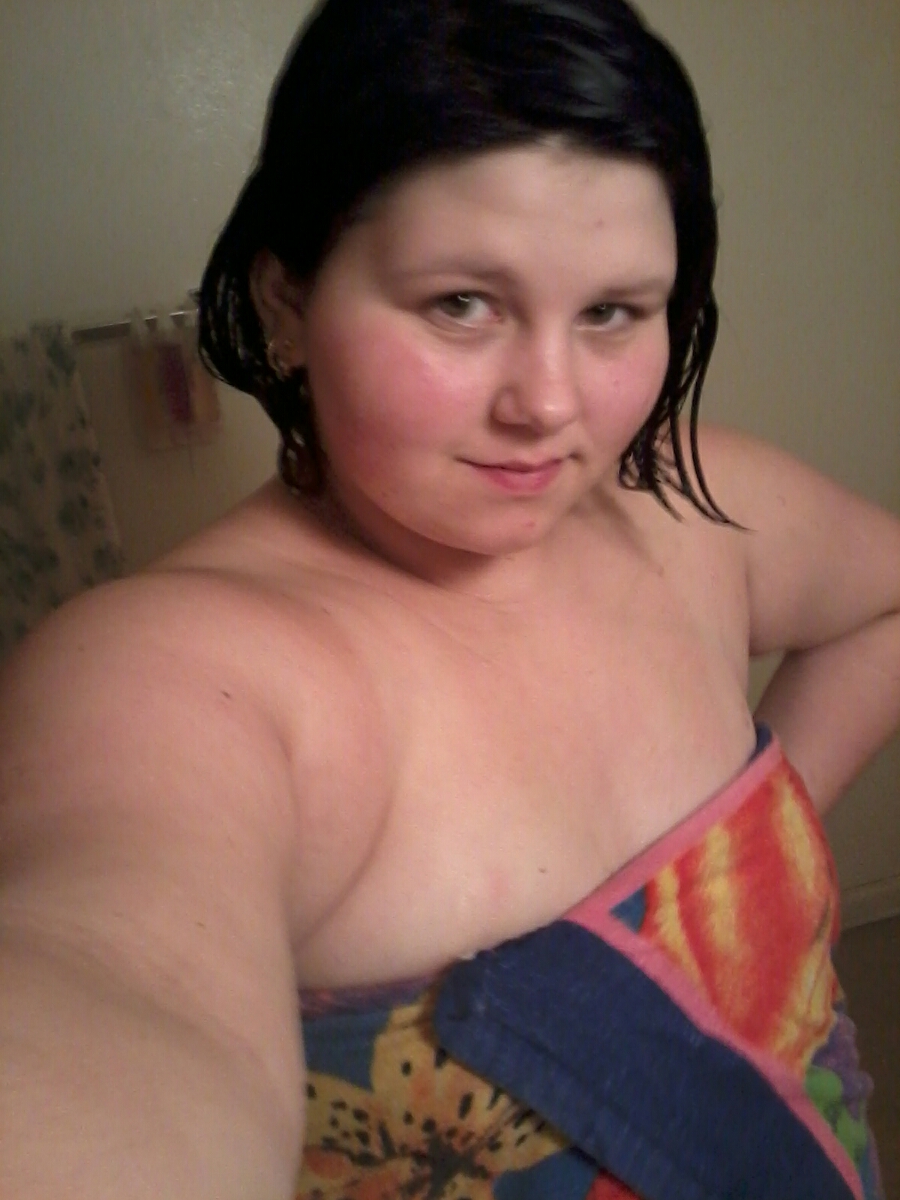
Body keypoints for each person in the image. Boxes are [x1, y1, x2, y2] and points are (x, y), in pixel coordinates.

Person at [1, 0, 898, 1196]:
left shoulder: (701, 510)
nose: (548, 402)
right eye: (462, 303)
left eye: (611, 312)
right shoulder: (168, 673)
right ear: (285, 303)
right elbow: (107, 986)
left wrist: (765, 862)